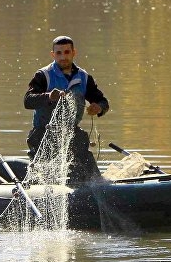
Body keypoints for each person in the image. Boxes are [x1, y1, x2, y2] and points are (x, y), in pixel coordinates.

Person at [24, 35, 109, 184]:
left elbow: (103, 102)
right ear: (53, 55)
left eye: (67, 52)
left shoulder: (84, 77)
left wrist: (99, 107)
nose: (63, 57)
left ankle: (91, 188)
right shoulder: (43, 75)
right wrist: (49, 96)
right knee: (43, 178)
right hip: (43, 133)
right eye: (59, 53)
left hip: (72, 132)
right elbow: (28, 101)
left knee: (90, 174)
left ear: (73, 53)